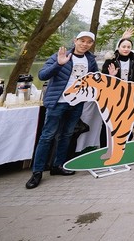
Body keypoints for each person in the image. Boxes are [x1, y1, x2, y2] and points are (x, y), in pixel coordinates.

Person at [26, 31, 99, 189]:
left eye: (89, 42)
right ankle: (37, 172)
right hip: (58, 102)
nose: (85, 44)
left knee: (66, 135)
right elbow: (42, 75)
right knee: (47, 136)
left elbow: (94, 79)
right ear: (75, 40)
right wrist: (58, 64)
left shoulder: (90, 60)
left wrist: (108, 76)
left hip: (77, 103)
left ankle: (58, 166)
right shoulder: (60, 55)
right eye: (82, 40)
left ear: (91, 44)